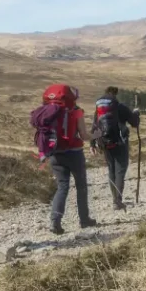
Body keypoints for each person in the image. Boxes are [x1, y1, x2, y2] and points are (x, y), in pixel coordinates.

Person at [47, 87, 101, 235]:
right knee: (81, 186)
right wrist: (96, 135)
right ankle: (84, 220)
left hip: (56, 155)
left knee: (62, 186)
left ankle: (55, 221)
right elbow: (83, 135)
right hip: (75, 154)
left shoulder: (50, 111)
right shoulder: (77, 111)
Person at [91, 86, 140, 211]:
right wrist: (136, 113)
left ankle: (115, 199)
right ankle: (117, 200)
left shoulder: (99, 110)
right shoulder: (119, 107)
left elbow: (95, 126)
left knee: (111, 170)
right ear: (115, 94)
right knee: (120, 171)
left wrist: (92, 144)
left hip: (105, 144)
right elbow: (134, 123)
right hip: (120, 143)